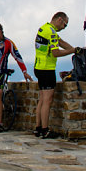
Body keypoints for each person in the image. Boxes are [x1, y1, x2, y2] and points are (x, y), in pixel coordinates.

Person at [33, 11, 77, 139]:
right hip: (47, 68)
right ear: (59, 20)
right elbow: (56, 52)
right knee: (47, 100)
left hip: (38, 67)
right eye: (65, 25)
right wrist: (72, 51)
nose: (64, 28)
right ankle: (45, 130)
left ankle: (38, 128)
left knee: (41, 99)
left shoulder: (44, 28)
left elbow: (61, 42)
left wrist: (74, 49)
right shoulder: (51, 32)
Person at [0, 22, 32, 128]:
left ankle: (0, 121)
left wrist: (24, 71)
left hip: (0, 72)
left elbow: (17, 57)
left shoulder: (8, 42)